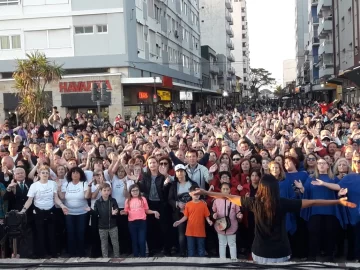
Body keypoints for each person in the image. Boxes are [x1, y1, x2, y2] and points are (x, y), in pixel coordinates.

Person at [195, 174, 356, 264]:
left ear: (262, 188)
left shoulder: (254, 202)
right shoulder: (283, 203)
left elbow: (227, 196)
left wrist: (204, 191)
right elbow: (313, 202)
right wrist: (337, 201)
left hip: (260, 252)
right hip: (281, 253)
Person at [21, 165, 68, 258]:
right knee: (40, 234)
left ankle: (53, 253)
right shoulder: (34, 185)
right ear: (39, 174)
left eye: (47, 173)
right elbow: (30, 200)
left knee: (52, 233)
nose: (45, 174)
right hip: (38, 212)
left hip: (50, 211)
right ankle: (41, 254)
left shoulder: (53, 184)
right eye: (43, 172)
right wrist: (23, 210)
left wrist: (62, 206)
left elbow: (56, 198)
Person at [120, 184, 160, 257]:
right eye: (133, 191)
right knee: (134, 241)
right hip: (132, 223)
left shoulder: (143, 199)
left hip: (142, 222)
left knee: (142, 241)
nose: (135, 192)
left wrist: (154, 212)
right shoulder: (127, 200)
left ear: (139, 191)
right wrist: (123, 212)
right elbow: (126, 212)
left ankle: (143, 256)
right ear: (130, 192)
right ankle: (136, 256)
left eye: (136, 190)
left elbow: (146, 210)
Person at [173, 185, 213, 257]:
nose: (197, 195)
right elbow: (185, 216)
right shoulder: (188, 205)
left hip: (200, 231)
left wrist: (209, 221)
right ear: (190, 194)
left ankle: (201, 267)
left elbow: (206, 215)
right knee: (190, 250)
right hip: (190, 231)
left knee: (201, 250)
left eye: (198, 194)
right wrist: (179, 221)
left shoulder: (203, 204)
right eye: (195, 194)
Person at [93, 183, 120, 258]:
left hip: (113, 226)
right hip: (102, 227)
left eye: (108, 190)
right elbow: (96, 214)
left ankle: (117, 257)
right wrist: (90, 211)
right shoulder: (97, 202)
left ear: (110, 191)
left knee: (115, 243)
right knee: (104, 243)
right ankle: (105, 258)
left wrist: (116, 212)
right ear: (101, 191)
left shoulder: (113, 200)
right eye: (104, 190)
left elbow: (116, 209)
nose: (106, 192)